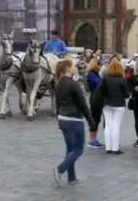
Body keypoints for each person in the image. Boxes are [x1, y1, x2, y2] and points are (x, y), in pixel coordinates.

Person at [53, 59, 95, 188]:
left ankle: (71, 178)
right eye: (72, 66)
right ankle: (60, 169)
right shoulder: (73, 84)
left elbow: (57, 104)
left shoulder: (58, 84)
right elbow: (83, 104)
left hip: (63, 118)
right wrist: (91, 121)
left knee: (70, 150)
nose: (74, 68)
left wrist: (58, 120)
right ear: (67, 69)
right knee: (78, 149)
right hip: (74, 120)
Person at [100, 58, 129, 154]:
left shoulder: (105, 78)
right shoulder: (122, 79)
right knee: (116, 126)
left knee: (108, 125)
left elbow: (102, 91)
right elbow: (126, 95)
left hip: (106, 104)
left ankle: (108, 147)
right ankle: (115, 148)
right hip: (119, 104)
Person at [86, 58, 104, 149]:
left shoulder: (95, 74)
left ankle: (94, 139)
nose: (101, 67)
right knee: (94, 120)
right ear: (95, 65)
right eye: (100, 65)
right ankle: (92, 140)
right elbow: (99, 83)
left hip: (98, 99)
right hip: (94, 99)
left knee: (97, 119)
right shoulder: (91, 74)